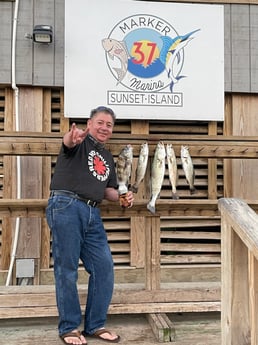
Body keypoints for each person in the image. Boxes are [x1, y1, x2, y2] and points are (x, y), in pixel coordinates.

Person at [46, 106, 134, 345]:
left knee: (104, 267)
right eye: (100, 122)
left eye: (109, 125)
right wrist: (71, 138)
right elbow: (68, 143)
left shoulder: (106, 156)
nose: (105, 127)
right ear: (89, 123)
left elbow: (108, 191)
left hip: (92, 211)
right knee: (67, 269)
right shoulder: (79, 142)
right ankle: (69, 327)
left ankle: (95, 325)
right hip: (66, 204)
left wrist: (124, 197)